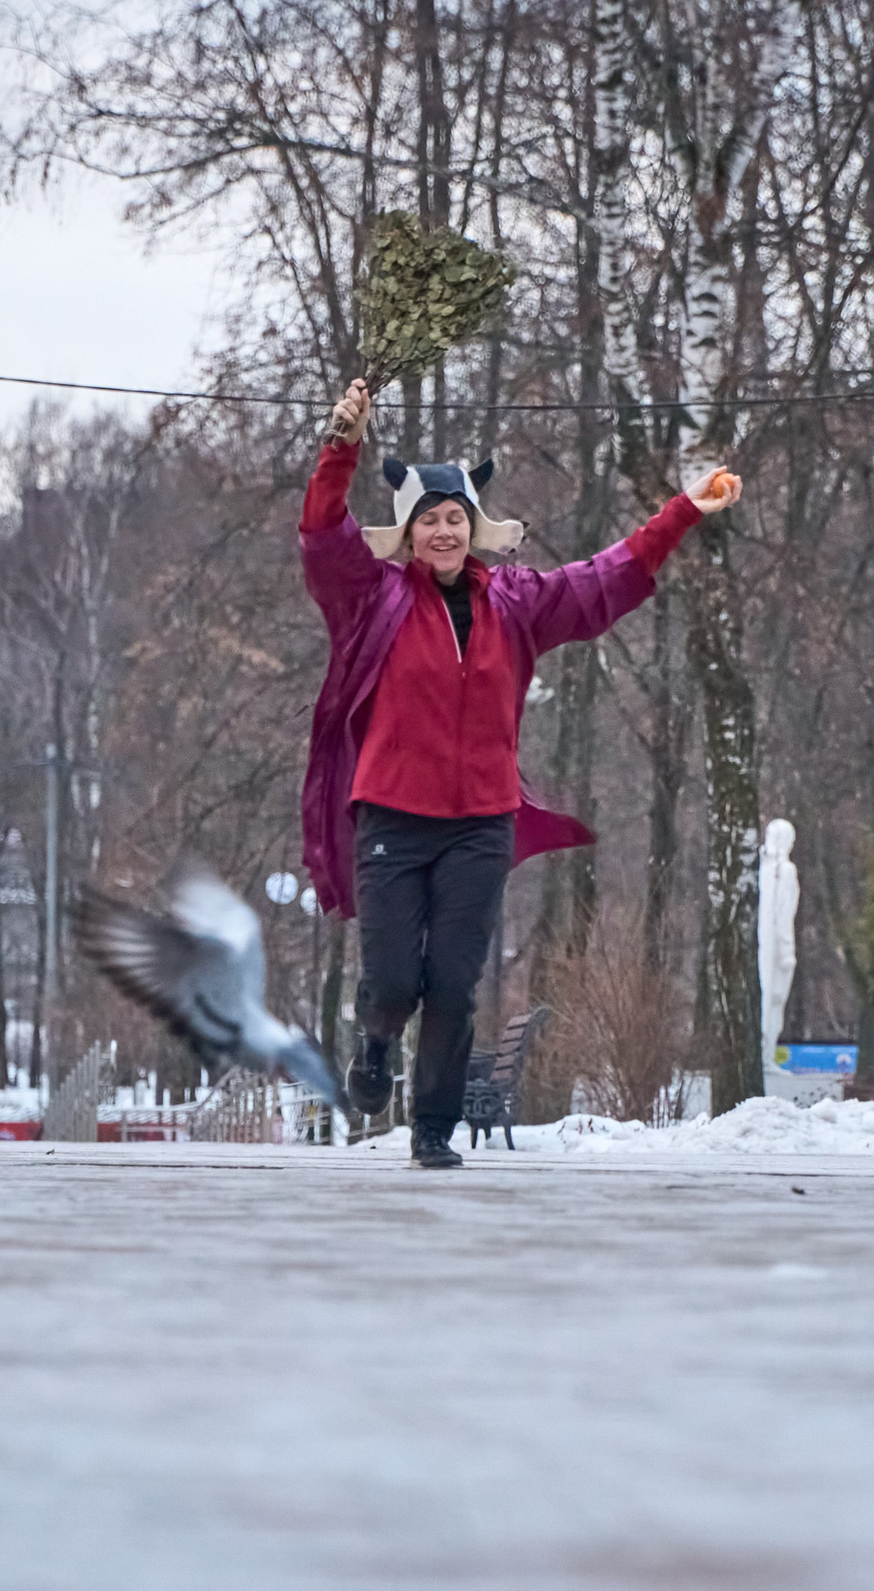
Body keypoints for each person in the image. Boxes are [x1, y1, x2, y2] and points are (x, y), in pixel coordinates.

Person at [299, 377, 742, 1168]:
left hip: (480, 822)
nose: (443, 531)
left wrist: (683, 510)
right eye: (429, 520)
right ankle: (374, 1040)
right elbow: (321, 535)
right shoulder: (372, 600)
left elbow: (605, 579)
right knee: (397, 980)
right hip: (392, 819)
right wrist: (342, 444)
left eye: (454, 519)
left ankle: (431, 1131)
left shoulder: (516, 600)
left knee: (455, 983)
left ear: (473, 529)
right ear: (407, 532)